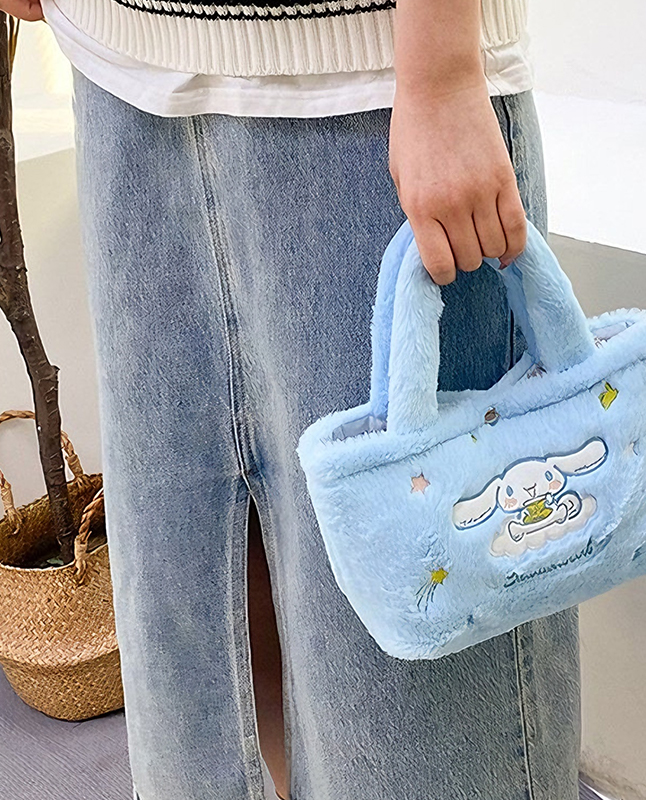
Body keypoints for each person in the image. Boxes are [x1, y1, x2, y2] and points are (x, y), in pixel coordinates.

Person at [7, 1, 582, 798]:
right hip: (121, 72)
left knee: (419, 690)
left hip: (368, 82)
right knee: (195, 660)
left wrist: (444, 72)